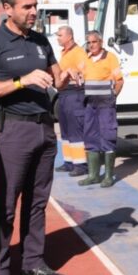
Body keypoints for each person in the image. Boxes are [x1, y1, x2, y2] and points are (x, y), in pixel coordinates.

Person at [0, 0, 69, 275]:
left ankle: (33, 263)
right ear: (8, 8)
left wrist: (70, 77)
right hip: (12, 130)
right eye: (27, 6)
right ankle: (0, 272)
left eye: (35, 5)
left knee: (38, 201)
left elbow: (58, 78)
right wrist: (22, 80)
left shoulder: (42, 41)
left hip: (44, 128)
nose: (33, 11)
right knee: (5, 203)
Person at [74, 30, 124, 187]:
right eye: (89, 42)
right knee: (90, 136)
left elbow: (119, 81)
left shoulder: (110, 58)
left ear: (101, 42)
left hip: (105, 104)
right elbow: (78, 73)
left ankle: (108, 176)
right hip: (90, 104)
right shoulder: (86, 58)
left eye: (94, 42)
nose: (91, 45)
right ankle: (93, 175)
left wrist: (112, 98)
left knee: (107, 135)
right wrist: (76, 76)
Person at [54, 25, 88, 176]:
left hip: (74, 94)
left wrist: (72, 73)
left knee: (75, 129)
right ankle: (69, 162)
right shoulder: (65, 53)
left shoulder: (78, 53)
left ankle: (81, 165)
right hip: (64, 94)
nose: (58, 38)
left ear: (69, 36)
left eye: (60, 35)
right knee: (65, 130)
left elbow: (84, 73)